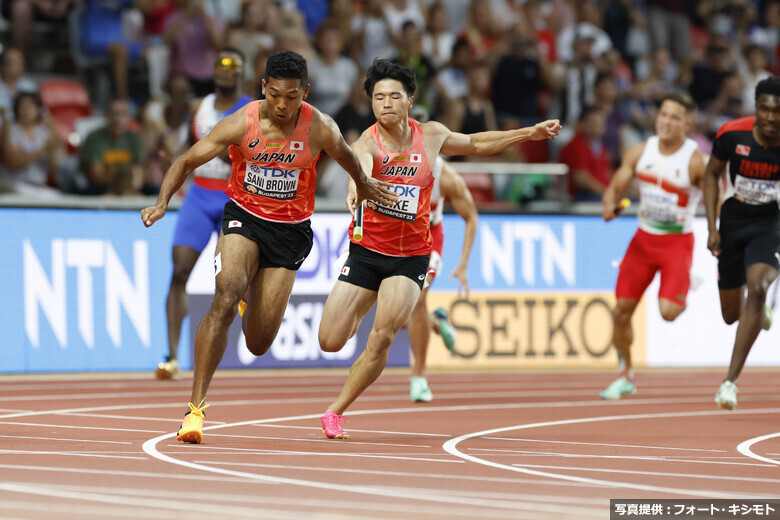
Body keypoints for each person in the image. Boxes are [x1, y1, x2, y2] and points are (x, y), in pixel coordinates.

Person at [141, 50, 396, 443]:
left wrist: (364, 187)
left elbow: (349, 159)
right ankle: (194, 411)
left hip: (290, 232)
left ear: (305, 93)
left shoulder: (320, 128)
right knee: (223, 298)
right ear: (263, 88)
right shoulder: (241, 124)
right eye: (275, 94)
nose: (282, 104)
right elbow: (185, 161)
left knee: (258, 343)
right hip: (243, 216)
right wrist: (161, 203)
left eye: (292, 97)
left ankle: (250, 294)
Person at [317, 58, 560, 439]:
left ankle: (336, 411)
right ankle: (363, 305)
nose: (386, 104)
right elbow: (359, 168)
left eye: (394, 96)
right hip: (367, 252)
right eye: (378, 97)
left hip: (412, 256)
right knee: (330, 341)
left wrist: (529, 133)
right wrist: (357, 187)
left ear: (409, 100)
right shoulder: (367, 142)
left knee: (382, 337)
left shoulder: (430, 135)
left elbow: (477, 142)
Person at [599, 92, 707, 400]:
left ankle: (684, 283)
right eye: (663, 115)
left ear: (687, 123)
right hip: (643, 241)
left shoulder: (695, 160)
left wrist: (718, 233)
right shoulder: (639, 151)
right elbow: (614, 188)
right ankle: (625, 376)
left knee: (669, 312)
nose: (666, 122)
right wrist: (609, 205)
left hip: (677, 242)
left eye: (675, 118)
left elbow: (716, 199)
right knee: (621, 311)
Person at [155, 47, 252, 380]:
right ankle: (170, 356)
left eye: (231, 64)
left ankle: (237, 341)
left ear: (242, 71)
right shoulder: (200, 106)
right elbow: (187, 146)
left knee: (231, 281)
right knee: (179, 269)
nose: (224, 70)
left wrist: (231, 157)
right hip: (199, 193)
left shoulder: (252, 110)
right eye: (219, 64)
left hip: (233, 195)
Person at [705, 76, 780, 411]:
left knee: (759, 284)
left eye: (778, 111)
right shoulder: (731, 134)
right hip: (733, 221)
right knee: (730, 314)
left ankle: (730, 382)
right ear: (756, 108)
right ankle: (758, 308)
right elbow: (710, 174)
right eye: (765, 109)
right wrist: (712, 227)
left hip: (770, 223)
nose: (771, 117)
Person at [408, 156, 478, 402]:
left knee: (416, 301)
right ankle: (436, 322)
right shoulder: (386, 158)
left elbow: (471, 216)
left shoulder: (445, 176)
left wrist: (463, 264)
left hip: (428, 240)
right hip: (394, 237)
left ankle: (419, 376)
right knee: (395, 311)